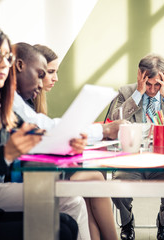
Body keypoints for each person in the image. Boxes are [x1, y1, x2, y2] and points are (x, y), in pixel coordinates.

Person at [0, 20, 78, 240]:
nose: (5, 65)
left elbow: (35, 133)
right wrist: (5, 154)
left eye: (7, 58)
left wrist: (70, 140)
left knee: (66, 223)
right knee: (59, 228)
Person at [32, 44, 118, 240]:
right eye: (51, 72)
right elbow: (45, 133)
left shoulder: (35, 101)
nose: (56, 78)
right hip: (34, 178)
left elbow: (45, 135)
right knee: (94, 179)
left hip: (43, 170)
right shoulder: (24, 103)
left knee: (90, 187)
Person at [108, 53, 164, 240]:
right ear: (140, 76)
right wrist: (138, 94)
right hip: (131, 161)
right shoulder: (126, 92)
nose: (152, 90)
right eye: (148, 84)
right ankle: (127, 222)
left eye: (157, 85)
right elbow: (113, 121)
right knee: (115, 186)